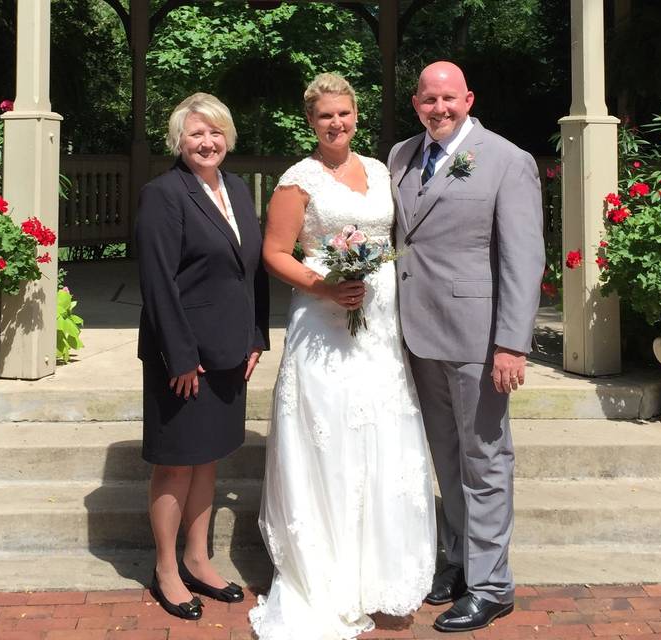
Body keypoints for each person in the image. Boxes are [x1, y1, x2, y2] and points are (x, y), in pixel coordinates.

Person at [249, 73, 436, 640]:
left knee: (382, 436)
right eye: (326, 116)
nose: (337, 123)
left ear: (357, 116)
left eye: (345, 114)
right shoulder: (298, 181)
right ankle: (326, 573)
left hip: (378, 327)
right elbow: (273, 252)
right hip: (323, 326)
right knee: (328, 437)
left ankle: (382, 569)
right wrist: (325, 286)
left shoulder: (379, 171)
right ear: (311, 121)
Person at [389, 61, 545, 633]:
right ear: (416, 103)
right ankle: (458, 562)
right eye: (429, 100)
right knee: (447, 458)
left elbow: (524, 260)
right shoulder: (401, 157)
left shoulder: (508, 160)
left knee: (484, 460)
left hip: (479, 338)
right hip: (417, 335)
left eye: (449, 99)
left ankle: (492, 585)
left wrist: (511, 343)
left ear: (469, 99)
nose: (439, 109)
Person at [136, 92, 270, 621]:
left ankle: (199, 557)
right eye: (195, 134)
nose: (207, 142)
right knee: (175, 464)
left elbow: (250, 270)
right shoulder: (162, 194)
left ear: (228, 137)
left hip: (231, 352)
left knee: (208, 457)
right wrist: (181, 356)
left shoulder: (236, 189)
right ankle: (167, 569)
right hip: (183, 357)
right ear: (178, 141)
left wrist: (256, 334)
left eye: (215, 132)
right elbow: (158, 284)